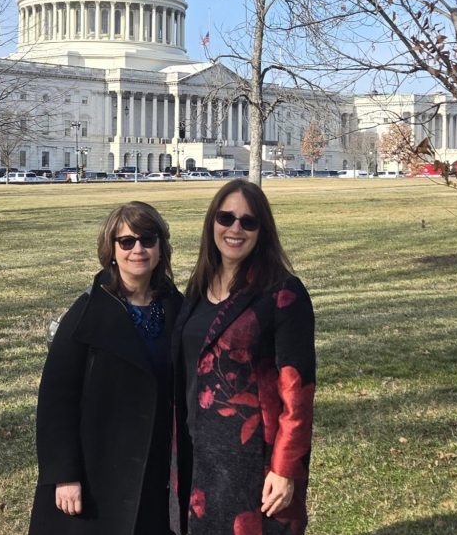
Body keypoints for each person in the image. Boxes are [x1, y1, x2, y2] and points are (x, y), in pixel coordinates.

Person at [29, 201, 182, 535]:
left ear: (160, 247)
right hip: (97, 467)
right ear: (112, 250)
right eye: (126, 242)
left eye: (147, 239)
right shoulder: (86, 314)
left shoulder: (175, 306)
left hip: (154, 466)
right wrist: (64, 474)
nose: (137, 249)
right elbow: (56, 399)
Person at [173, 180, 316, 535]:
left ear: (261, 230)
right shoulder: (199, 285)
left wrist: (285, 468)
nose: (235, 228)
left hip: (251, 459)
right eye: (226, 218)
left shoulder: (282, 292)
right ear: (212, 223)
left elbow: (298, 393)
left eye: (248, 222)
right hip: (194, 451)